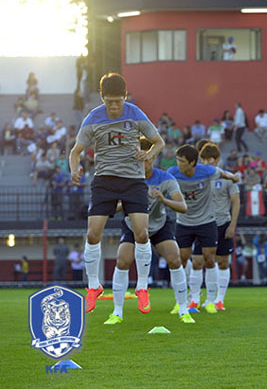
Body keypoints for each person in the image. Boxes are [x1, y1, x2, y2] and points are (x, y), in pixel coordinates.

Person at [69, 72, 164, 314]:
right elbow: (75, 151)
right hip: (104, 181)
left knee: (142, 234)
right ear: (101, 97)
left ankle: (142, 287)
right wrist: (74, 170)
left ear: (125, 96)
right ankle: (93, 286)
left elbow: (158, 142)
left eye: (117, 101)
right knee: (92, 234)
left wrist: (149, 154)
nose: (113, 106)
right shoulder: (92, 119)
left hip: (133, 180)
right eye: (108, 101)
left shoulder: (135, 113)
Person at [104, 137, 193, 325]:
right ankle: (117, 313)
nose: (139, 163)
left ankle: (183, 310)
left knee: (175, 259)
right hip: (133, 225)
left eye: (144, 158)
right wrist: (126, 201)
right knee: (122, 260)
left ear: (152, 158)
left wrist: (163, 200)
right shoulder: (126, 180)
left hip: (159, 226)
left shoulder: (165, 178)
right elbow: (111, 208)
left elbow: (182, 206)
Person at [168, 144, 240, 314]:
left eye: (182, 161)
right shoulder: (172, 173)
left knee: (212, 259)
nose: (178, 163)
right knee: (182, 261)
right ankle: (184, 301)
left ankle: (212, 300)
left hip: (208, 222)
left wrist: (233, 177)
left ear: (192, 163)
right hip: (184, 222)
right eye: (177, 160)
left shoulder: (207, 172)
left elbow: (222, 174)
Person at [188, 143, 241, 312]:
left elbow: (236, 202)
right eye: (203, 159)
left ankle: (219, 300)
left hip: (222, 223)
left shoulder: (226, 178)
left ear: (217, 160)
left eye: (209, 160)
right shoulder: (198, 176)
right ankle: (195, 299)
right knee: (197, 261)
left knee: (222, 262)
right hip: (202, 223)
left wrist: (232, 225)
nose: (206, 162)